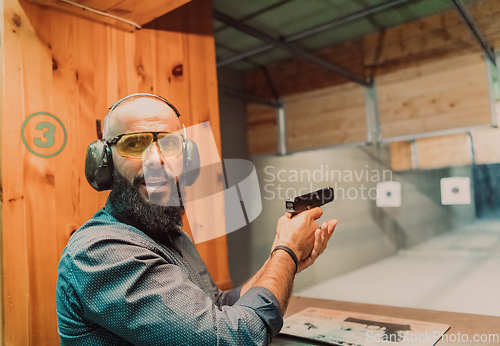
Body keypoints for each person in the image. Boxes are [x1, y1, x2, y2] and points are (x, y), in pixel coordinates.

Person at [56, 93, 338, 345]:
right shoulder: (101, 252)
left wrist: (279, 259)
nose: (157, 161)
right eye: (135, 144)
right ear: (104, 162)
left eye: (170, 144)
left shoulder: (172, 236)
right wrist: (286, 253)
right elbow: (235, 338)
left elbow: (216, 306)